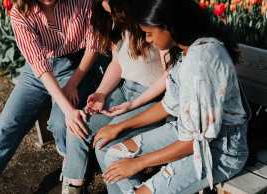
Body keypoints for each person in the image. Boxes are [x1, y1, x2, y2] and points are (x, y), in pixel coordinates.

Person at [94, 0, 251, 193]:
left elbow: (194, 142)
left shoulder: (201, 63)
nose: (148, 40)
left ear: (170, 27)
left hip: (218, 152)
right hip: (185, 132)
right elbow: (169, 105)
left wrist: (139, 163)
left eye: (149, 33)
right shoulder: (185, 50)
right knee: (114, 156)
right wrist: (119, 126)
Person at [0, 0, 103, 193]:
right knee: (7, 127)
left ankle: (72, 165)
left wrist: (72, 85)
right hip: (38, 71)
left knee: (62, 122)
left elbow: (94, 43)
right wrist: (67, 108)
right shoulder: (20, 13)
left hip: (75, 67)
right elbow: (39, 66)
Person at [60, 0, 167, 193]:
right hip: (125, 90)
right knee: (78, 123)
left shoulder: (149, 16)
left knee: (106, 144)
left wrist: (134, 103)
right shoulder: (112, 17)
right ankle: (73, 187)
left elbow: (170, 76)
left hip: (153, 97)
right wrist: (101, 93)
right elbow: (118, 64)